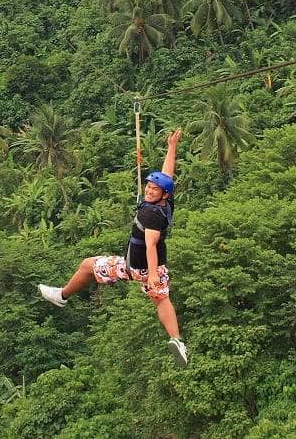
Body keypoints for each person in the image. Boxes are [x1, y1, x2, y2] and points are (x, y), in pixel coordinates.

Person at [38, 129, 188, 367]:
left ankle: (62, 296)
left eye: (153, 189)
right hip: (156, 268)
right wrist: (172, 146)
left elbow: (150, 244)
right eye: (148, 186)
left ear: (163, 194)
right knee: (162, 300)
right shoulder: (166, 203)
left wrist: (149, 275)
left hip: (139, 268)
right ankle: (177, 340)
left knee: (88, 265)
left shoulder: (150, 213)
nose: (148, 190)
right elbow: (167, 173)